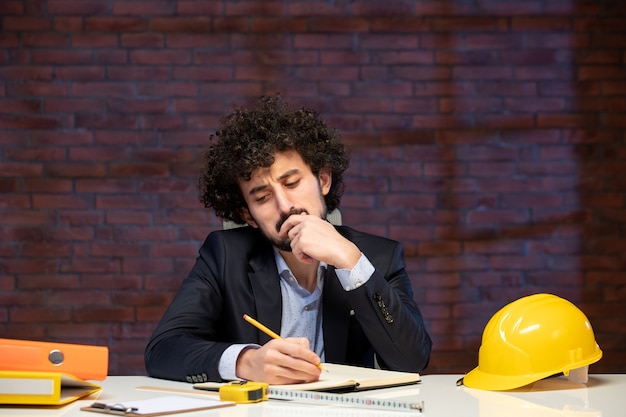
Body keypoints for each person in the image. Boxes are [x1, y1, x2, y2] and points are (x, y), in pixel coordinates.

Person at [144, 95, 432, 384]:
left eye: (292, 183)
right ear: (249, 215)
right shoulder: (224, 256)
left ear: (323, 180)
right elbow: (163, 349)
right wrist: (245, 361)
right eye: (262, 197)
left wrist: (349, 260)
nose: (284, 206)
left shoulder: (378, 257)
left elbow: (412, 359)